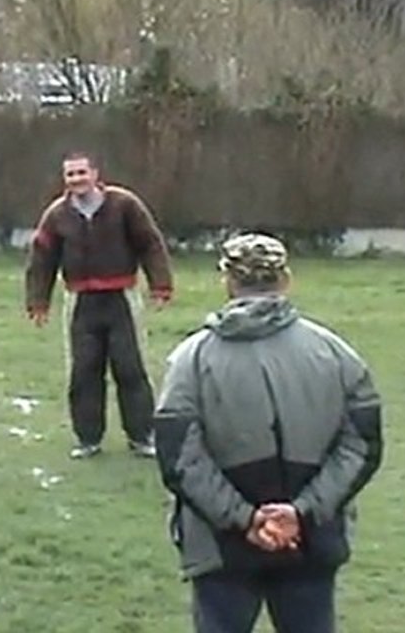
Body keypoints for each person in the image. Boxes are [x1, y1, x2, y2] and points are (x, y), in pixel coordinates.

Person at [153, 233, 383, 633]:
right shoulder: (336, 353)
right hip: (311, 541)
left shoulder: (190, 360)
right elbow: (362, 446)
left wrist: (245, 520)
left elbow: (179, 458)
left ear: (227, 281)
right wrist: (301, 512)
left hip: (221, 547)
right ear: (286, 279)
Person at [25, 150, 175, 459]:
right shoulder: (57, 215)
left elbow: (150, 243)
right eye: (70, 174)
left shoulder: (124, 204)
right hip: (81, 303)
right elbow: (42, 258)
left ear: (95, 174)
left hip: (121, 299)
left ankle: (142, 437)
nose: (77, 179)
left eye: (82, 172)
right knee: (84, 372)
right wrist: (38, 301)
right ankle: (88, 439)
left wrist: (161, 284)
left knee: (131, 369)